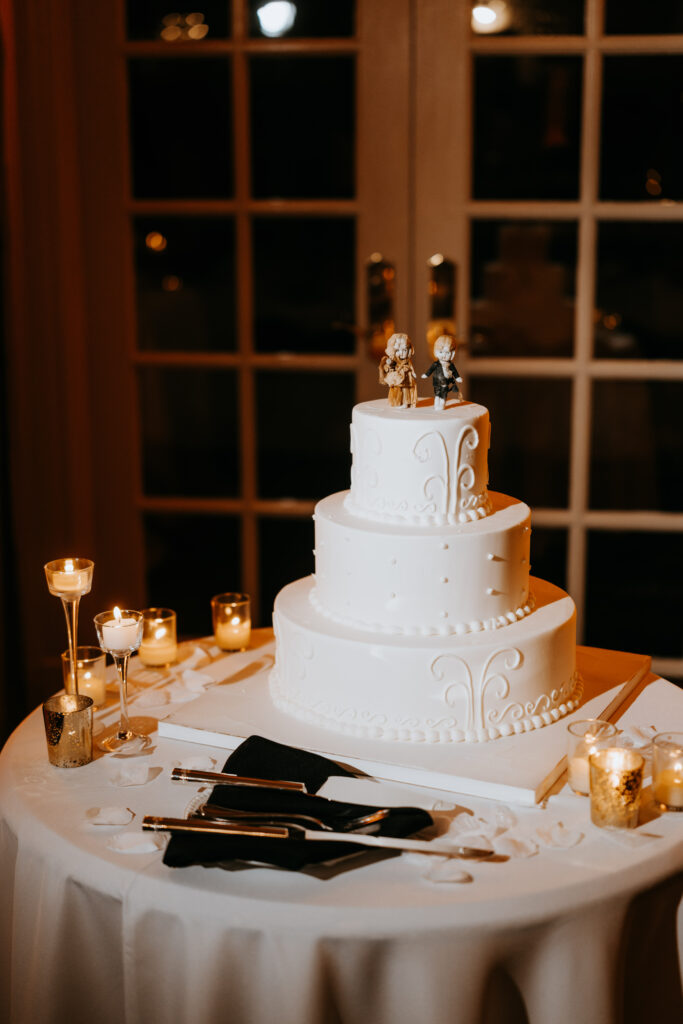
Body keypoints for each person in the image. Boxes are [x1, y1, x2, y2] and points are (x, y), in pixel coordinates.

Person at [422, 334, 463, 410]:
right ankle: (436, 401)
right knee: (437, 393)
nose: (444, 355)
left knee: (444, 393)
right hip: (436, 383)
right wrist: (426, 375)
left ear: (452, 354)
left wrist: (457, 377)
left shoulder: (450, 365)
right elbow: (430, 370)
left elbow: (454, 372)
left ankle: (442, 403)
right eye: (441, 352)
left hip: (446, 383)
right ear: (435, 352)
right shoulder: (435, 364)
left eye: (447, 353)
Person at [379, 332, 417, 408]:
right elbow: (389, 367)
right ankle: (396, 402)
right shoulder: (394, 360)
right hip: (397, 378)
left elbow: (411, 367)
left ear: (409, 349)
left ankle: (405, 403)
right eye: (398, 351)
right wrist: (388, 366)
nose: (401, 353)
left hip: (406, 377)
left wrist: (413, 373)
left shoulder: (407, 361)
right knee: (396, 390)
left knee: (405, 390)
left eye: (404, 350)